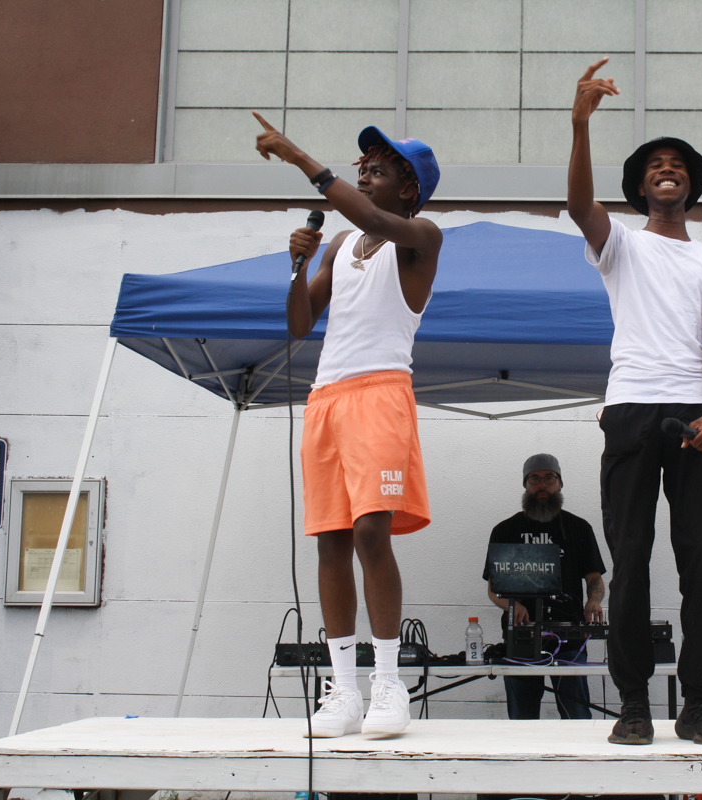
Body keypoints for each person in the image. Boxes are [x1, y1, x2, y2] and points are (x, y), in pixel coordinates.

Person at [565, 59, 702, 746]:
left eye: (676, 165)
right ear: (641, 187)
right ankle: (634, 704)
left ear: (690, 186)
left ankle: (698, 702)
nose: (666, 170)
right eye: (654, 166)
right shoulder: (622, 244)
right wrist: (580, 125)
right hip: (631, 408)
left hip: (695, 413)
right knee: (631, 554)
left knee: (701, 554)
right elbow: (579, 207)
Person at [254, 113, 442, 737]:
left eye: (378, 170)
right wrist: (297, 267)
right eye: (363, 167)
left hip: (381, 392)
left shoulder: (421, 236)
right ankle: (344, 691)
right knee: (330, 539)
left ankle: (389, 682)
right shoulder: (340, 245)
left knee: (369, 532)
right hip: (327, 396)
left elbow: (375, 221)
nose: (364, 175)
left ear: (410, 189)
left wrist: (300, 159)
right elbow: (299, 324)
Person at [483, 454, 606, 719]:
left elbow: (594, 578)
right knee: (522, 719)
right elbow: (493, 588)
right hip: (521, 637)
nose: (542, 485)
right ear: (525, 484)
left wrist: (594, 600)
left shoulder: (579, 528)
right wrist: (513, 605)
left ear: (560, 483)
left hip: (570, 638)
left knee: (576, 715)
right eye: (535, 479)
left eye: (549, 478)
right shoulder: (504, 531)